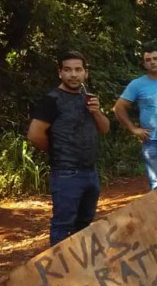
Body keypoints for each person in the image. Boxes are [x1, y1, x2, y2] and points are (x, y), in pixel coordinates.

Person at [27, 51, 111, 246]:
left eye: (78, 70)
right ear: (60, 73)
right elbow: (35, 134)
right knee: (63, 225)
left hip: (91, 171)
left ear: (85, 73)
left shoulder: (88, 98)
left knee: (85, 224)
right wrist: (57, 151)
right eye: (68, 70)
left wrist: (97, 112)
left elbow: (105, 129)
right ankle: (60, 265)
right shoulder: (52, 99)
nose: (73, 74)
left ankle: (81, 263)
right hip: (66, 173)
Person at [113, 46, 157, 192]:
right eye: (148, 60)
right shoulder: (137, 85)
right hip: (153, 141)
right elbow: (119, 108)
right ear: (144, 64)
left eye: (155, 58)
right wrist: (133, 129)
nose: (152, 62)